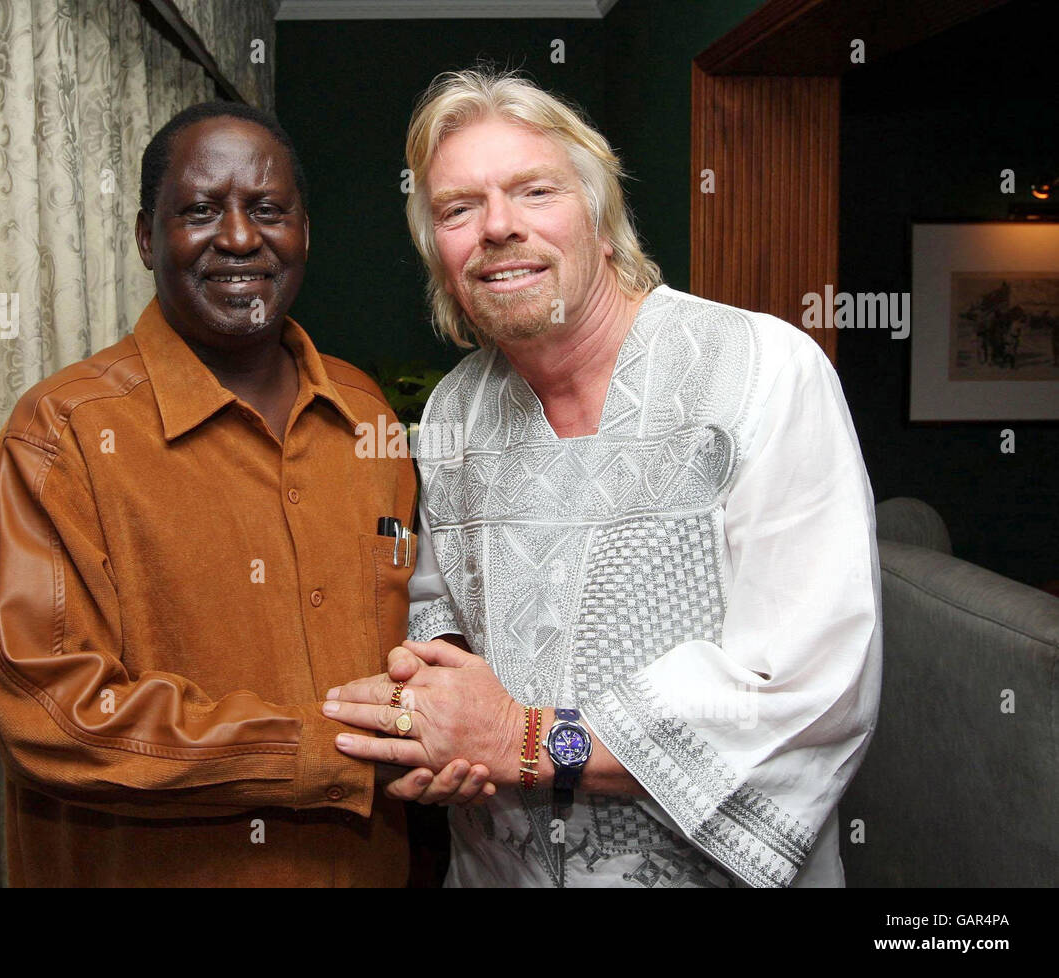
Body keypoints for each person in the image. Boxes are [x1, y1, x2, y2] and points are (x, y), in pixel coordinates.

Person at [324, 68, 882, 888]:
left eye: (534, 191)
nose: (498, 227)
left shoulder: (762, 370)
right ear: (440, 260)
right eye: (457, 209)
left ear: (603, 221)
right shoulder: (454, 412)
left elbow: (808, 689)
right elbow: (443, 605)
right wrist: (435, 711)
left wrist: (521, 738)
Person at [0, 101, 485, 887]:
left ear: (305, 233)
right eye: (201, 210)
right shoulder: (62, 435)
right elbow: (50, 712)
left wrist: (437, 718)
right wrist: (330, 751)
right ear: (148, 238)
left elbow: (413, 626)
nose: (241, 237)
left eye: (269, 209)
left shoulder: (367, 419)